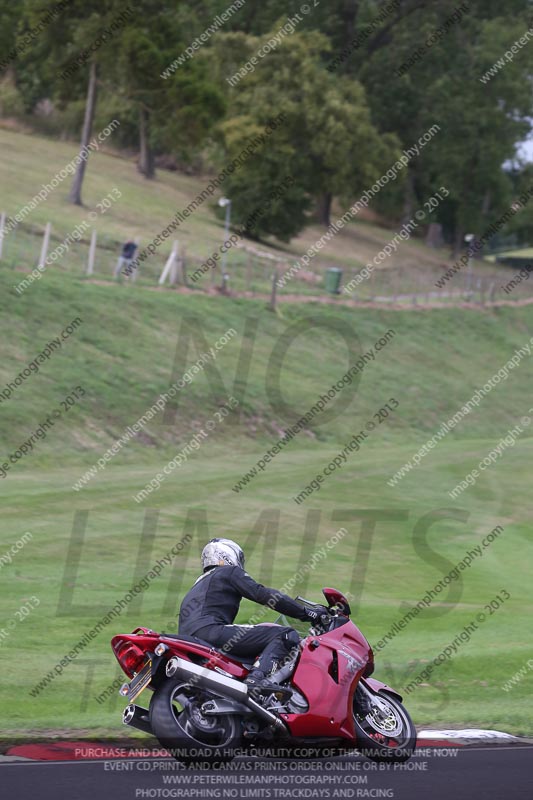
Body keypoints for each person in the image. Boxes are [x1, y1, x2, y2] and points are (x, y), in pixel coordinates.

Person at [178, 538, 329, 698]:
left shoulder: (197, 586)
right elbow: (263, 594)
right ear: (227, 555)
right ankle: (256, 679)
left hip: (189, 639)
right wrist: (307, 613)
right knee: (284, 634)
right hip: (210, 631)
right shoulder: (228, 572)